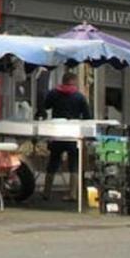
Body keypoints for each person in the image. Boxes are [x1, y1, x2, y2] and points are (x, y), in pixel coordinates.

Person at [38, 71, 91, 201]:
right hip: (73, 133)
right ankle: (72, 194)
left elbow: (45, 106)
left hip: (57, 132)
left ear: (63, 81)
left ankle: (46, 192)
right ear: (74, 81)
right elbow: (87, 116)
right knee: (74, 162)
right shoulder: (79, 97)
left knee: (53, 161)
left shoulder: (53, 93)